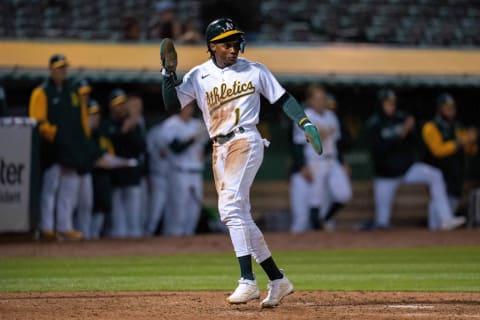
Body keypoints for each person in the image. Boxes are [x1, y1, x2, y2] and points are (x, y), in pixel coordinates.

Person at [159, 17, 322, 307]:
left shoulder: (254, 70)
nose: (234, 47)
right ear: (212, 46)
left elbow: (283, 98)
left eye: (236, 41)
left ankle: (247, 281)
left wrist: (305, 122)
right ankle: (278, 280)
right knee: (241, 216)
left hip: (245, 139)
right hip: (218, 149)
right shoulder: (199, 75)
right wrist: (167, 76)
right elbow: (172, 105)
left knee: (229, 208)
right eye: (227, 43)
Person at [366, 89, 466, 230]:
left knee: (435, 175)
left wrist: (411, 130)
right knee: (382, 221)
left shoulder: (401, 118)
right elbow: (378, 149)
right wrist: (401, 133)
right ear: (381, 104)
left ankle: (446, 219)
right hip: (385, 175)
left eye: (393, 103)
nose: (391, 106)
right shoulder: (374, 123)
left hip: (406, 169)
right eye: (388, 104)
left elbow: (415, 142)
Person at [29, 54, 89, 240]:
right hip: (52, 148)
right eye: (59, 68)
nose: (62, 71)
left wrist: (82, 139)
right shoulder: (42, 92)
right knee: (50, 188)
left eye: (64, 67)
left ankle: (65, 227)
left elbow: (83, 119)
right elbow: (37, 121)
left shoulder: (73, 91)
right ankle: (46, 227)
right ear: (51, 70)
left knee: (69, 190)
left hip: (71, 147)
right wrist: (54, 135)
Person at [291, 85, 352, 232]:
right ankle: (317, 235)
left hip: (332, 160)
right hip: (314, 161)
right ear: (310, 100)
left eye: (323, 98)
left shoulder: (331, 116)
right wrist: (302, 166)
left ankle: (325, 219)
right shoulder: (304, 117)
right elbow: (298, 144)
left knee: (344, 194)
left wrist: (343, 162)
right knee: (315, 199)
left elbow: (336, 142)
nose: (320, 101)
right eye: (317, 98)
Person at [422, 93, 478, 213]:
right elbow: (437, 150)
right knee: (439, 214)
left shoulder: (457, 126)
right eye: (447, 108)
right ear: (440, 109)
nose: (450, 111)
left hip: (455, 177)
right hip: (438, 174)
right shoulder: (431, 126)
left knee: (450, 214)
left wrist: (471, 141)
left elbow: (470, 150)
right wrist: (460, 142)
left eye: (452, 107)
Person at [101, 89, 146, 238]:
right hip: (115, 177)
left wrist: (130, 130)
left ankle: (136, 254)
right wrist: (123, 131)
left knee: (134, 221)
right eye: (117, 104)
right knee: (117, 223)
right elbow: (108, 146)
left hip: (132, 177)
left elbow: (141, 147)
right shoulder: (106, 124)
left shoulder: (133, 123)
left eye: (122, 104)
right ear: (111, 106)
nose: (120, 107)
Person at [161, 104, 209, 236]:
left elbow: (206, 147)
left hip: (196, 172)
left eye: (190, 107)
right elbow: (176, 148)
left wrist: (204, 148)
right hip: (179, 172)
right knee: (178, 211)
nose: (189, 109)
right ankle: (172, 241)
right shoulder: (171, 124)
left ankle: (188, 244)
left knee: (193, 211)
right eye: (186, 106)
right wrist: (193, 138)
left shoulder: (197, 124)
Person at [144, 119, 170, 236]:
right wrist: (147, 175)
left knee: (172, 213)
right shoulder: (156, 131)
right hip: (157, 175)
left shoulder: (176, 128)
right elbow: (147, 154)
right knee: (155, 210)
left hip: (173, 177)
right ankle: (147, 236)